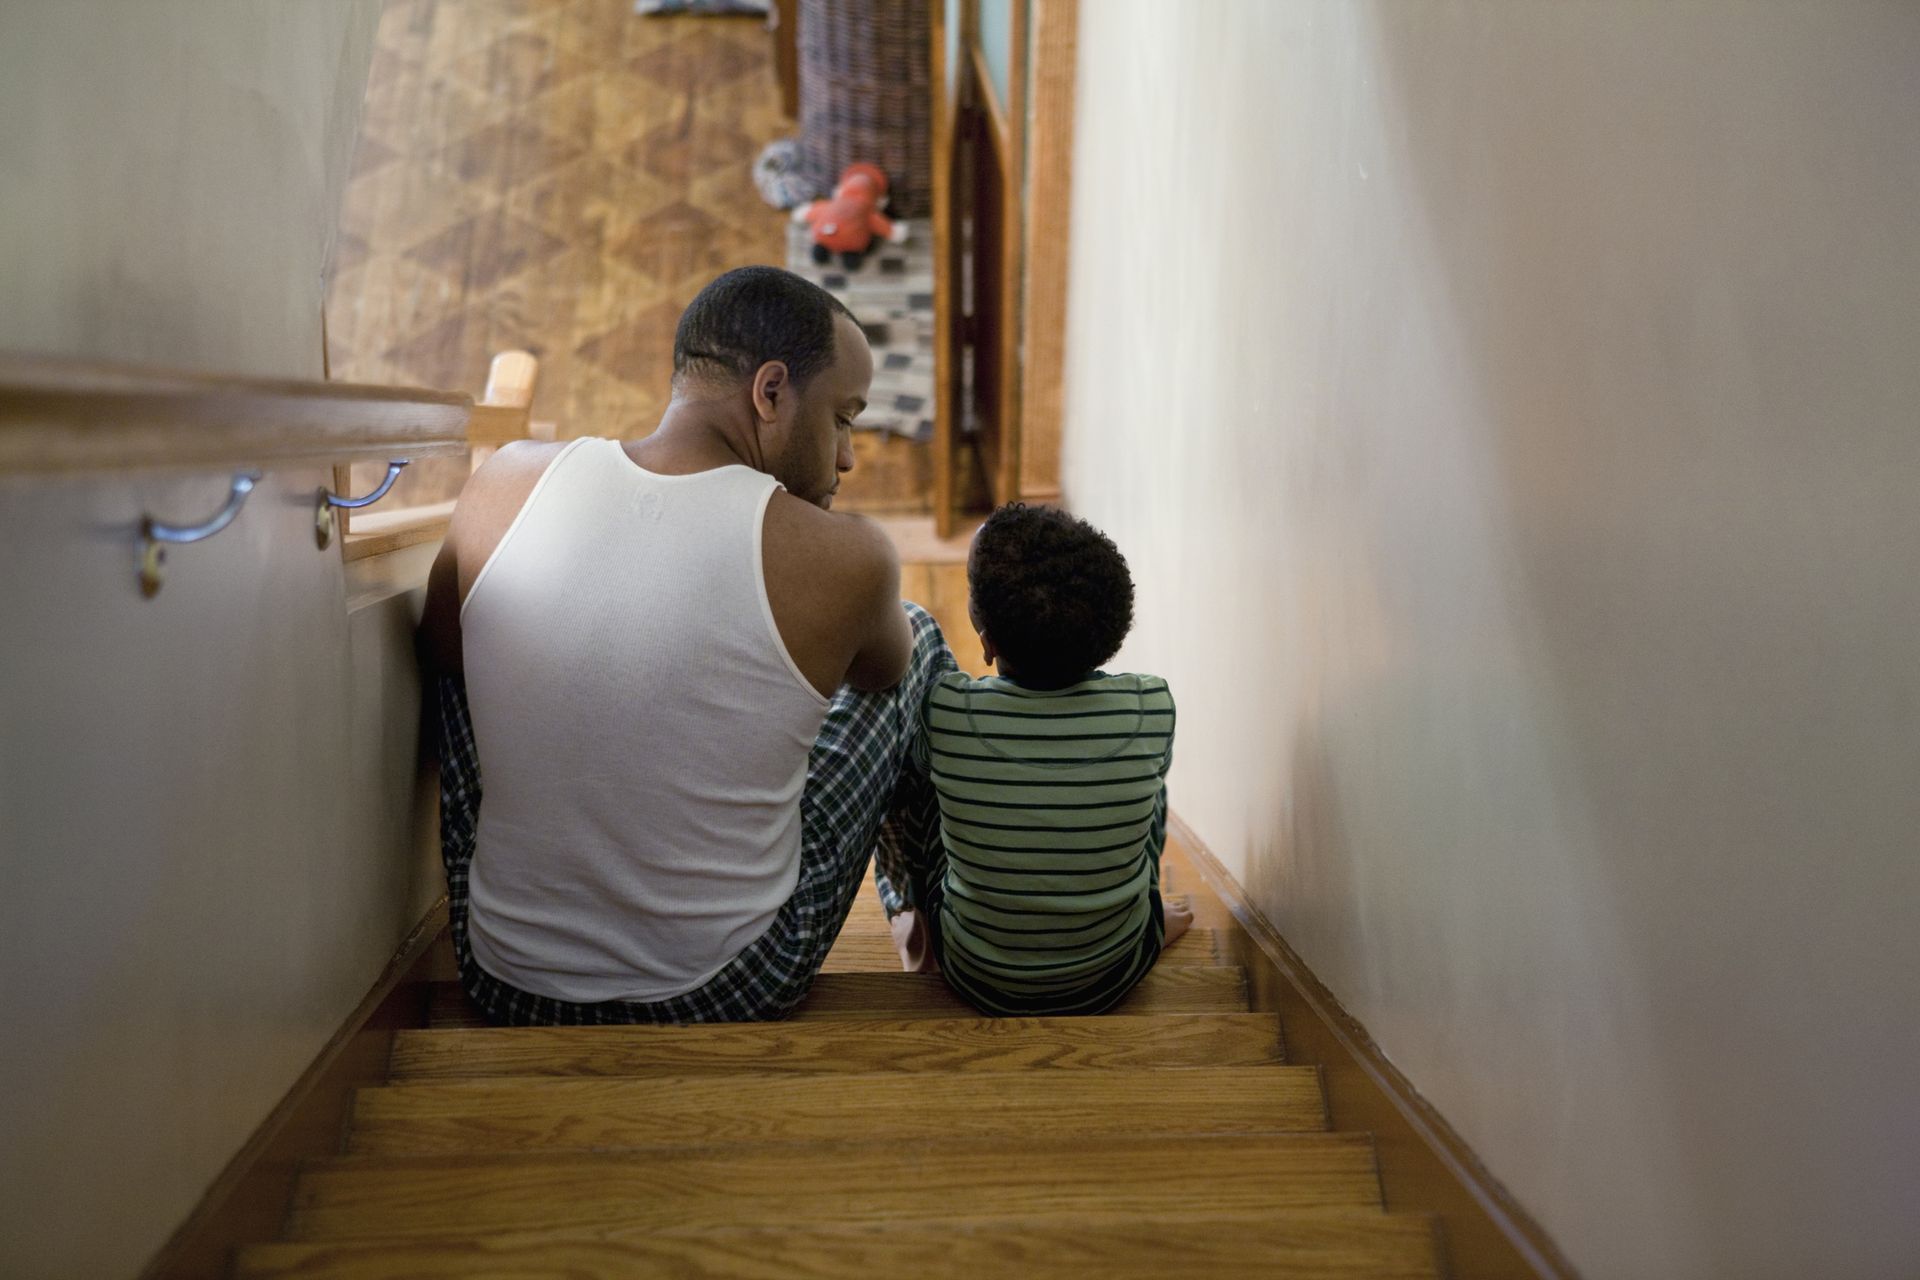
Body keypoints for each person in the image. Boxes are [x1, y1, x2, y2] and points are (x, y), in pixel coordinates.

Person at [417, 266, 956, 1024]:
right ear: (770, 393)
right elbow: (883, 672)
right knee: (919, 637)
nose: (846, 459)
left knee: (483, 623)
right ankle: (933, 922)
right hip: (728, 986)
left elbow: (442, 654)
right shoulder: (847, 558)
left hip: (504, 978)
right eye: (843, 418)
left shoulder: (505, 480)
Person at [886, 503, 1193, 1016]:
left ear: (985, 644)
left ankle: (911, 917)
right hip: (1116, 970)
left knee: (918, 783)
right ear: (1109, 634)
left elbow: (913, 785)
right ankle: (1145, 910)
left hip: (975, 974)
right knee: (1147, 782)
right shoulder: (1150, 704)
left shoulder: (949, 709)